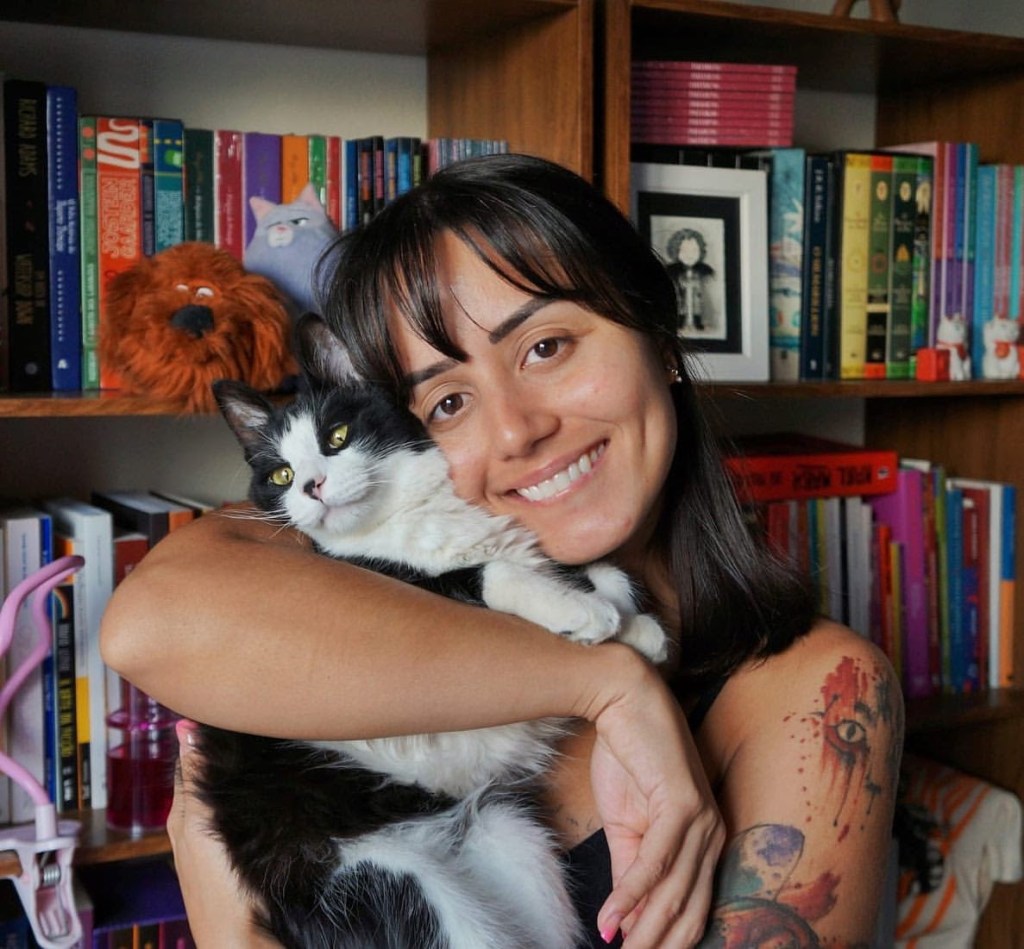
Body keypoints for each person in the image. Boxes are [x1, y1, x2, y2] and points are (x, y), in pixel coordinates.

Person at [101, 153, 903, 948]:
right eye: (449, 400)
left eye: (546, 347)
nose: (518, 430)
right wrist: (611, 684)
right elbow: (143, 626)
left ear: (659, 337)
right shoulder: (351, 531)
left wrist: (234, 937)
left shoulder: (822, 693)